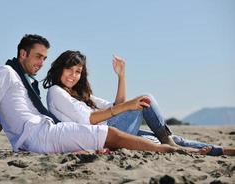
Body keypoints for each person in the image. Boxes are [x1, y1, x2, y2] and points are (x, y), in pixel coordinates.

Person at [0, 34, 196, 154]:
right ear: (23, 53)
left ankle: (196, 148)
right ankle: (164, 148)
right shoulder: (5, 73)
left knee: (130, 134)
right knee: (110, 133)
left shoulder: (23, 85)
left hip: (44, 132)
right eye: (38, 56)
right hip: (41, 136)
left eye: (44, 58)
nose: (42, 62)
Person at [43, 50, 235, 156]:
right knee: (145, 100)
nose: (73, 75)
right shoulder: (55, 92)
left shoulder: (81, 94)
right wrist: (128, 106)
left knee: (171, 140)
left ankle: (221, 150)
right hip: (104, 135)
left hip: (112, 128)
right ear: (60, 68)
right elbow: (89, 119)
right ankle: (167, 141)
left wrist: (121, 76)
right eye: (70, 69)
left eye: (78, 71)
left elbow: (116, 105)